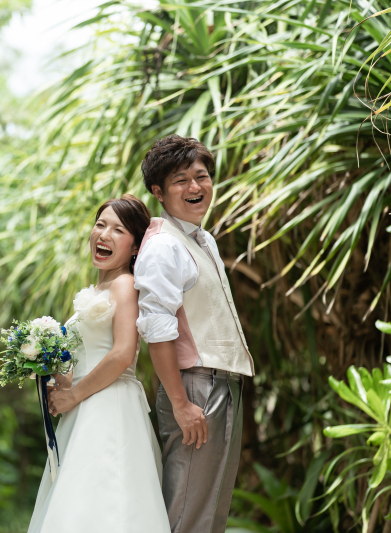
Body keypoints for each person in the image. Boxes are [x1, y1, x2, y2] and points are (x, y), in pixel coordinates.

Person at [28, 194, 171, 533]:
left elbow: (122, 353)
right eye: (100, 225)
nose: (103, 235)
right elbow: (85, 357)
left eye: (118, 230)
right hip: (85, 406)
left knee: (105, 504)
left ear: (136, 247)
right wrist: (52, 372)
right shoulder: (99, 287)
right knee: (78, 504)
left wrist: (74, 395)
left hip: (110, 406)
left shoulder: (124, 284)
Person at [134, 135, 255, 533]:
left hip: (220, 384)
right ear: (158, 192)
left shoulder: (202, 240)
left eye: (201, 177)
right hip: (194, 388)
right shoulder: (164, 246)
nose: (195, 187)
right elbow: (158, 330)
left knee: (209, 512)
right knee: (186, 513)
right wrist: (182, 403)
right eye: (180, 180)